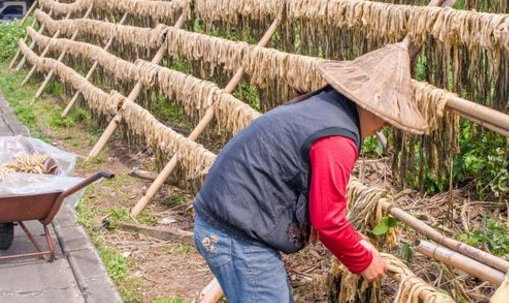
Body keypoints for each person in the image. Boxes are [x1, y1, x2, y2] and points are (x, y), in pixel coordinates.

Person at [193, 42, 427, 302]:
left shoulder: (323, 107)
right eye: (387, 115)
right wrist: (363, 260)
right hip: (235, 233)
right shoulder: (338, 138)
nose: (385, 124)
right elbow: (329, 221)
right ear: (370, 103)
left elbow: (298, 176)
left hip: (229, 220)